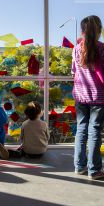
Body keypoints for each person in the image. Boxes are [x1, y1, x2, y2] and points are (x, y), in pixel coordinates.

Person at [72, 15, 104, 180]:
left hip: (80, 96)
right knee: (94, 132)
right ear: (98, 30)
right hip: (98, 98)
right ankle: (94, 170)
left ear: (83, 31)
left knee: (81, 130)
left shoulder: (77, 48)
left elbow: (73, 72)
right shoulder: (102, 48)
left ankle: (79, 166)